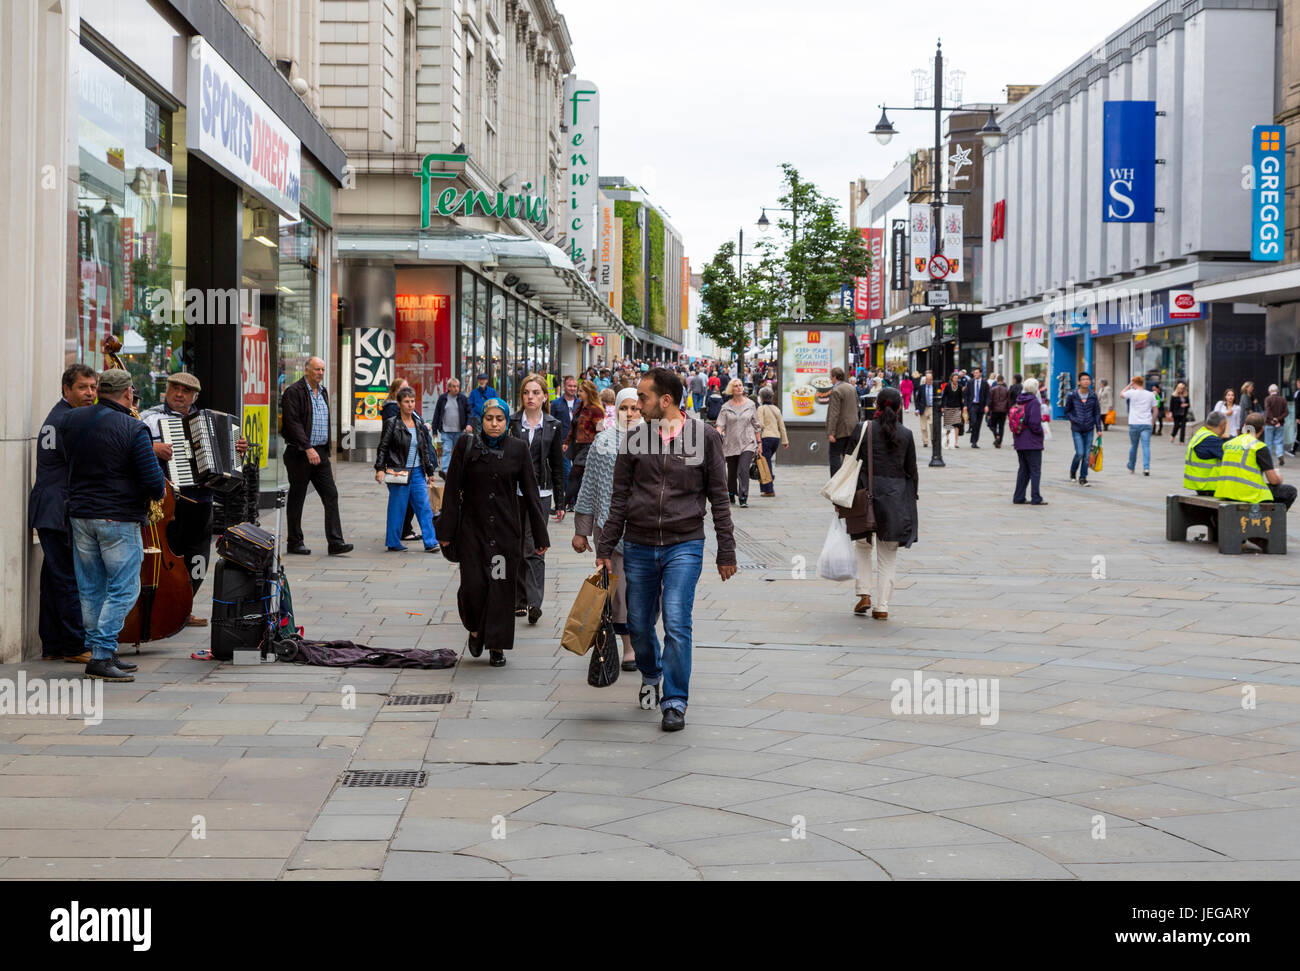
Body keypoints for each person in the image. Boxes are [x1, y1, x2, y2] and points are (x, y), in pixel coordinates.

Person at [595, 368, 736, 733]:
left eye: (643, 398)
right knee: (639, 624)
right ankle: (652, 672)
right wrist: (605, 545)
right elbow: (620, 497)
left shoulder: (702, 436)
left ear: (666, 400)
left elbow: (719, 497)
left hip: (684, 542)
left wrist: (726, 550)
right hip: (639, 542)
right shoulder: (636, 439)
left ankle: (674, 701)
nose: (637, 405)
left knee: (676, 621)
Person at [61, 369, 166, 682]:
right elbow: (152, 481)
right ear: (128, 393)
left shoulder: (71, 420)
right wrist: (159, 489)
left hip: (80, 514)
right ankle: (103, 655)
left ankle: (100, 652)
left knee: (91, 587)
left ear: (100, 390)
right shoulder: (134, 428)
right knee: (124, 588)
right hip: (117, 516)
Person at [437, 398, 549, 666]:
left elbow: (532, 493)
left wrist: (540, 535)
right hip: (472, 532)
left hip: (504, 534)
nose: (494, 424)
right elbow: (452, 489)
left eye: (499, 419)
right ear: (481, 420)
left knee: (500, 588)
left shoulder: (517, 449)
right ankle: (475, 629)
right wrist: (446, 530)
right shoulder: (466, 445)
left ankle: (496, 646)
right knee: (473, 586)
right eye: (489, 419)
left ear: (506, 422)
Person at [140, 372, 249, 626]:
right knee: (169, 555)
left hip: (201, 501)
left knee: (198, 559)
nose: (179, 394)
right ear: (166, 390)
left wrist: (237, 450)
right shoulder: (150, 418)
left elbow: (230, 464)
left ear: (194, 396)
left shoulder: (208, 421)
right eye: (175, 388)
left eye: (186, 391)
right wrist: (152, 448)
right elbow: (129, 447)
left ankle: (184, 608)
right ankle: (162, 608)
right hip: (168, 502)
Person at [30, 365, 98, 662]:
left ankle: (54, 645)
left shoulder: (62, 416)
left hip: (51, 508)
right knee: (69, 578)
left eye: (94, 387)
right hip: (58, 510)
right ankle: (74, 645)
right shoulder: (69, 420)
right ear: (65, 389)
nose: (90, 393)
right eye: (83, 387)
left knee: (54, 579)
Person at [575, 388, 642, 671]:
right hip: (610, 532)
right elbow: (590, 485)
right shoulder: (602, 441)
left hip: (644, 531)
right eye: (624, 408)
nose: (629, 414)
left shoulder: (654, 441)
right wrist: (581, 529)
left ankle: (641, 638)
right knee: (619, 591)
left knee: (646, 592)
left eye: (635, 408)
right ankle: (627, 646)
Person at [844, 388, 918, 620]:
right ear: (898, 407)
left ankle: (864, 592)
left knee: (863, 546)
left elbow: (849, 461)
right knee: (888, 554)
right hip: (895, 499)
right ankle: (882, 606)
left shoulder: (863, 429)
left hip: (865, 495)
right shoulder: (905, 434)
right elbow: (911, 471)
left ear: (875, 405)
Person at [281, 357, 352, 555]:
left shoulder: (323, 391)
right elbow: (293, 423)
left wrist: (322, 449)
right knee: (298, 497)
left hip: (320, 452)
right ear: (306, 370)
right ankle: (294, 542)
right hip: (299, 452)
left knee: (331, 494)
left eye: (323, 369)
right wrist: (307, 447)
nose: (320, 373)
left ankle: (335, 542)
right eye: (317, 369)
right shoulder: (293, 392)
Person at [510, 374, 566, 624]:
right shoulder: (511, 422)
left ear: (545, 396)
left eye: (535, 392)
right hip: (514, 493)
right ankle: (519, 600)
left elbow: (557, 464)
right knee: (516, 545)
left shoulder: (552, 425)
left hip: (542, 494)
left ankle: (534, 602)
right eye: (526, 392)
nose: (530, 397)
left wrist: (561, 502)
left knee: (535, 547)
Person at [374, 387, 439, 553]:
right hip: (399, 472)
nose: (410, 405)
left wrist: (430, 472)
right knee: (398, 508)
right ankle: (393, 542)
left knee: (424, 507)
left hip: (417, 472)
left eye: (412, 401)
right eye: (406, 402)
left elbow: (424, 449)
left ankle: (431, 542)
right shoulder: (392, 423)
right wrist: (380, 468)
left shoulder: (417, 424)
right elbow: (383, 447)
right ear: (399, 403)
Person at [1215, 412, 1297, 511]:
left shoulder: (1228, 444)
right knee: (1290, 491)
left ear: (1244, 426)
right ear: (1262, 429)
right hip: (1248, 494)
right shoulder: (1259, 447)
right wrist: (1279, 478)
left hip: (1226, 492)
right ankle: (1270, 521)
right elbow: (1273, 481)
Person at [717, 378, 762, 507]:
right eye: (736, 386)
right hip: (730, 443)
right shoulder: (725, 407)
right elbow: (720, 425)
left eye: (740, 385)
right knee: (731, 473)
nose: (739, 388)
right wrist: (716, 436)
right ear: (731, 389)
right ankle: (731, 492)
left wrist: (759, 443)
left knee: (743, 470)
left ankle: (743, 497)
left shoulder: (750, 405)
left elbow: (756, 425)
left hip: (747, 442)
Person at [561, 380, 605, 511]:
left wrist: (599, 447)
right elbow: (573, 427)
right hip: (577, 446)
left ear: (588, 393)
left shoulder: (595, 410)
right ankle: (576, 503)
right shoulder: (579, 407)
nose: (578, 393)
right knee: (579, 477)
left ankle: (563, 504)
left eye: (581, 390)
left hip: (588, 447)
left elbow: (600, 430)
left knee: (574, 475)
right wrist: (566, 442)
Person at [1063, 371, 1103, 487]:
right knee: (1080, 453)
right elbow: (1067, 411)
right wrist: (1074, 419)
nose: (1086, 381)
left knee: (1087, 455)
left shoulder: (1093, 395)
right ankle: (1073, 471)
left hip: (1089, 428)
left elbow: (1097, 413)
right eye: (1084, 379)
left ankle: (1083, 477)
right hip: (1076, 428)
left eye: (1088, 379)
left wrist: (1099, 429)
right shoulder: (1072, 395)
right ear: (1079, 382)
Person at [1012, 377, 1047, 505]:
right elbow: (1034, 423)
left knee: (1023, 469)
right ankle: (1036, 497)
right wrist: (1040, 432)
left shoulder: (1019, 401)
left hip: (1019, 439)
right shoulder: (1034, 402)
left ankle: (1018, 496)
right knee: (1035, 470)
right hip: (1032, 441)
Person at [430, 377, 472, 476]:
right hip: (446, 431)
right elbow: (437, 414)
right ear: (448, 387)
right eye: (454, 386)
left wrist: (469, 424)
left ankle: (459, 470)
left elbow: (469, 413)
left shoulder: (463, 398)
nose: (456, 388)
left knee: (460, 451)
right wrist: (434, 431)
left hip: (459, 430)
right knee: (446, 451)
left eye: (457, 386)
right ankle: (446, 471)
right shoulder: (443, 398)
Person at [1183, 411, 1228, 496]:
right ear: (1222, 425)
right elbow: (1230, 456)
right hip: (1208, 486)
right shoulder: (1211, 439)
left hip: (1199, 484)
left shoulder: (1201, 434)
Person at [1122, 375, 1158, 476]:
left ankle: (1131, 466)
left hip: (1134, 423)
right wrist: (1152, 421)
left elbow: (1121, 394)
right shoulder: (1150, 394)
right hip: (1146, 423)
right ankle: (1146, 468)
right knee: (1146, 446)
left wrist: (1129, 385)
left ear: (1134, 383)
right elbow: (1155, 410)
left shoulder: (1132, 393)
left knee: (1134, 446)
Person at [756, 386, 789, 497]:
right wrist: (785, 441)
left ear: (761, 398)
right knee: (767, 461)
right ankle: (768, 485)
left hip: (766, 437)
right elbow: (782, 426)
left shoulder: (761, 409)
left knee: (765, 463)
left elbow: (760, 424)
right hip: (776, 438)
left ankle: (769, 489)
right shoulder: (776, 409)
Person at [826, 367, 859, 474]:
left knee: (834, 455)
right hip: (853, 427)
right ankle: (847, 481)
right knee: (848, 457)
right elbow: (857, 407)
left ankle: (835, 482)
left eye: (831, 376)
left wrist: (831, 432)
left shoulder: (836, 390)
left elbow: (834, 413)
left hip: (841, 429)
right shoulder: (851, 388)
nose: (830, 379)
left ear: (835, 377)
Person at [963, 366, 990, 448]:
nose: (975, 374)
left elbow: (987, 396)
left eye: (977, 372)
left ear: (980, 373)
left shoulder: (985, 383)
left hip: (981, 406)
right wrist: (965, 405)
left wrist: (987, 405)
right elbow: (966, 395)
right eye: (974, 373)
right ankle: (973, 439)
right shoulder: (970, 382)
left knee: (978, 425)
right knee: (974, 422)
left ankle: (974, 442)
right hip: (973, 405)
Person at [1264, 383, 1287, 466]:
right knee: (1279, 442)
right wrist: (1278, 419)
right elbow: (1286, 412)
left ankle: (1269, 460)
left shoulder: (1268, 399)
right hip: (1280, 424)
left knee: (1268, 443)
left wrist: (1273, 419)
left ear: (1269, 391)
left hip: (1269, 424)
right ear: (1277, 391)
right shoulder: (1283, 399)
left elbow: (1268, 410)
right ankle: (1280, 455)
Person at [941, 372, 964, 449]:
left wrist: (962, 408)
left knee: (957, 425)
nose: (956, 379)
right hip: (948, 408)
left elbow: (961, 398)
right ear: (952, 378)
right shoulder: (947, 386)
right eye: (955, 378)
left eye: (957, 378)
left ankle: (955, 442)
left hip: (957, 408)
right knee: (948, 425)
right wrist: (943, 406)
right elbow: (944, 396)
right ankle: (948, 439)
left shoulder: (960, 387)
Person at [988, 375, 1011, 448]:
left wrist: (989, 412)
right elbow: (1008, 402)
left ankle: (996, 435)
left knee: (992, 425)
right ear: (1003, 380)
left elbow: (990, 401)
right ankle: (999, 442)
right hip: (1003, 411)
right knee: (1001, 427)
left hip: (994, 410)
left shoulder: (992, 389)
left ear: (997, 380)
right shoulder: (1006, 390)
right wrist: (1008, 412)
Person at [915, 371, 936, 448]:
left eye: (930, 379)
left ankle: (933, 440)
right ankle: (925, 441)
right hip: (923, 408)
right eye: (928, 379)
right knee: (923, 427)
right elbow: (917, 399)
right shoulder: (921, 387)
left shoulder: (935, 387)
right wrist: (916, 409)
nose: (929, 381)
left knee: (932, 424)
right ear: (925, 379)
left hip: (931, 408)